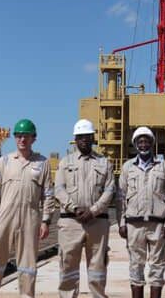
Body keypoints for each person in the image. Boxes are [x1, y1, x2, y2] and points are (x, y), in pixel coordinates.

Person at [0, 119, 54, 298]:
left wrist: (46, 221)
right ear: (15, 138)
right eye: (19, 136)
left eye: (26, 136)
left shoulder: (42, 163)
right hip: (4, 217)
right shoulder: (4, 162)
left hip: (30, 218)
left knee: (27, 266)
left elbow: (48, 195)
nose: (22, 139)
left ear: (33, 138)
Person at [55, 119, 115, 298]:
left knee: (97, 267)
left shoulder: (104, 163)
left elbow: (110, 190)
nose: (84, 140)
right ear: (75, 139)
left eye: (87, 137)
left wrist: (93, 210)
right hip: (70, 222)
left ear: (92, 138)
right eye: (80, 137)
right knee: (68, 265)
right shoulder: (65, 162)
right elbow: (59, 189)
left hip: (97, 222)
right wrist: (75, 209)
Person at [117, 126, 165, 298]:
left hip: (157, 225)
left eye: (147, 141)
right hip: (133, 224)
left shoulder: (163, 167)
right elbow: (120, 197)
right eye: (140, 142)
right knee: (136, 266)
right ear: (135, 144)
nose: (144, 145)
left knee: (157, 267)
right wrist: (121, 223)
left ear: (152, 144)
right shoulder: (128, 167)